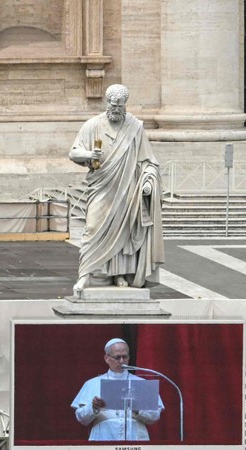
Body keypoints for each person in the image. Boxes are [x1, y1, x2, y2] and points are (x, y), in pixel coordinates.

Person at [68, 83, 162, 295]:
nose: (116, 109)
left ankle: (119, 274)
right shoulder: (93, 125)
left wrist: (148, 183)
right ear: (107, 103)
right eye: (113, 105)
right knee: (93, 228)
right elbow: (74, 153)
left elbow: (149, 162)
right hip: (101, 186)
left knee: (123, 232)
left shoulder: (135, 128)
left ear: (125, 105)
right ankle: (85, 274)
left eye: (120, 106)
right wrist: (88, 155)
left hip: (126, 188)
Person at [71, 338, 163, 441]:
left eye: (125, 357)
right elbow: (81, 419)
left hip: (135, 437)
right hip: (103, 436)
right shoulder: (92, 383)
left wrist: (137, 407)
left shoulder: (142, 383)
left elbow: (154, 417)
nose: (122, 361)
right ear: (106, 358)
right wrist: (93, 407)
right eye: (117, 357)